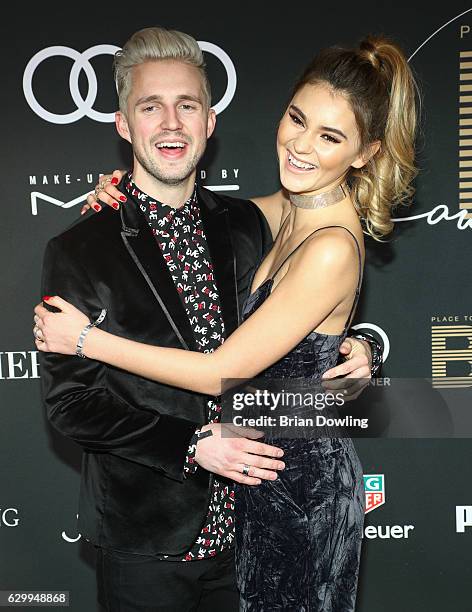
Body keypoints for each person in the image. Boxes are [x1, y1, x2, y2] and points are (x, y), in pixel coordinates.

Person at [32, 26, 393, 612]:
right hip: (148, 536)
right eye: (151, 107)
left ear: (211, 121)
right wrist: (190, 444)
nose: (171, 123)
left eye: (187, 106)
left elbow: (302, 295)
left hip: (256, 517)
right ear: (124, 125)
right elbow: (73, 406)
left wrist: (350, 349)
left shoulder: (248, 223)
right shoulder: (80, 249)